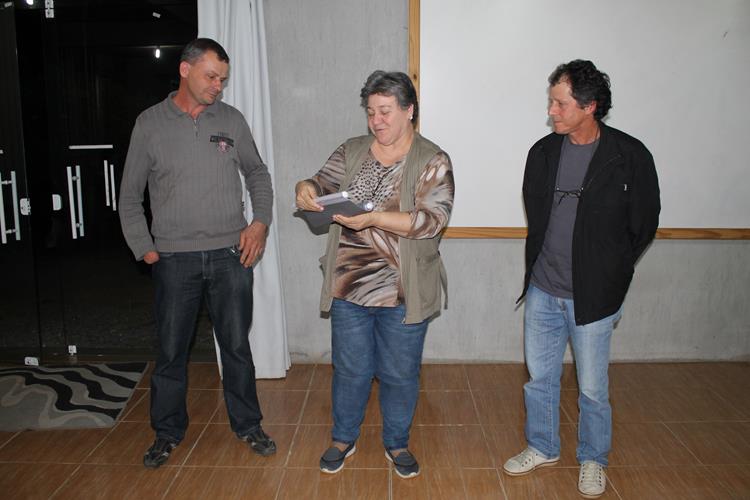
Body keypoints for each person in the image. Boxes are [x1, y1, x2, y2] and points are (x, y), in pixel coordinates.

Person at [503, 60, 660, 498]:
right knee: (539, 379)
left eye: (560, 104)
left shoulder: (629, 156)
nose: (551, 111)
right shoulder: (543, 152)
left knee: (592, 387)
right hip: (542, 288)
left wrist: (613, 270)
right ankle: (542, 446)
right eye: (551, 102)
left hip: (593, 296)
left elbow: (644, 223)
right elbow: (536, 213)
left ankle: (593, 458)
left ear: (589, 106)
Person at [119, 38, 276, 468]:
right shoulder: (150, 124)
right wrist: (145, 249)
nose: (218, 86)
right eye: (211, 77)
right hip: (173, 260)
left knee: (236, 347)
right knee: (171, 351)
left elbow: (258, 174)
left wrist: (259, 222)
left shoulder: (231, 119)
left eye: (223, 79)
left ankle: (248, 425)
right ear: (185, 70)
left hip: (230, 256)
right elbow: (129, 195)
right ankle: (167, 432)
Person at [295, 70, 454, 478]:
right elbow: (321, 183)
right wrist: (306, 187)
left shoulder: (432, 159)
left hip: (403, 290)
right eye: (370, 112)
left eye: (385, 111)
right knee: (350, 370)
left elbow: (432, 221)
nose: (376, 120)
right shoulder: (353, 150)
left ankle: (397, 443)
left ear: (409, 110)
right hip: (348, 287)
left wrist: (375, 218)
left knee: (399, 374)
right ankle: (343, 438)